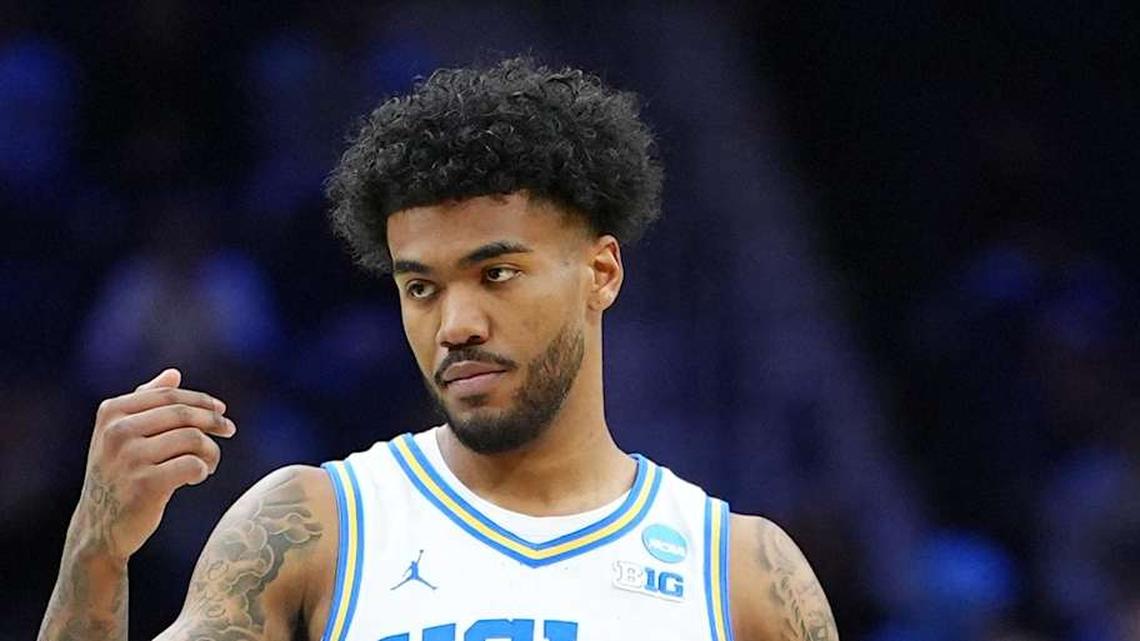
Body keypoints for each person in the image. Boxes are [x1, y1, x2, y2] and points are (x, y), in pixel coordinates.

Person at [37, 57, 838, 641]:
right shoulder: (314, 525)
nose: (455, 322)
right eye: (421, 286)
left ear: (600, 271)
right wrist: (95, 550)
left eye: (496, 273)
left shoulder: (742, 574)